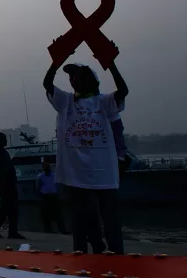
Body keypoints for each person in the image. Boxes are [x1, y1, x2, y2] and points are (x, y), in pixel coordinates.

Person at [43, 60, 128, 254]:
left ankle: (117, 255)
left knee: (110, 219)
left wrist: (111, 63)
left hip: (104, 173)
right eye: (72, 77)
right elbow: (47, 84)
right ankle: (83, 255)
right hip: (76, 173)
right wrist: (55, 63)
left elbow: (123, 90)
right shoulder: (66, 103)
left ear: (92, 81)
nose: (73, 80)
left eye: (77, 76)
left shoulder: (104, 103)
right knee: (80, 218)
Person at [0, 132, 25, 239]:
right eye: (4, 139)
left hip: (9, 183)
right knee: (9, 208)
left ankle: (5, 230)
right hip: (5, 184)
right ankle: (2, 230)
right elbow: (2, 171)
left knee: (9, 208)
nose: (6, 141)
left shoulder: (4, 152)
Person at [36, 161, 68, 234]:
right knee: (47, 214)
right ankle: (50, 230)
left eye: (47, 167)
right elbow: (38, 187)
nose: (46, 168)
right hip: (47, 196)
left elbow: (38, 188)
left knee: (56, 214)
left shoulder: (51, 175)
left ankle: (60, 230)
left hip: (52, 196)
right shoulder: (41, 176)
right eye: (45, 167)